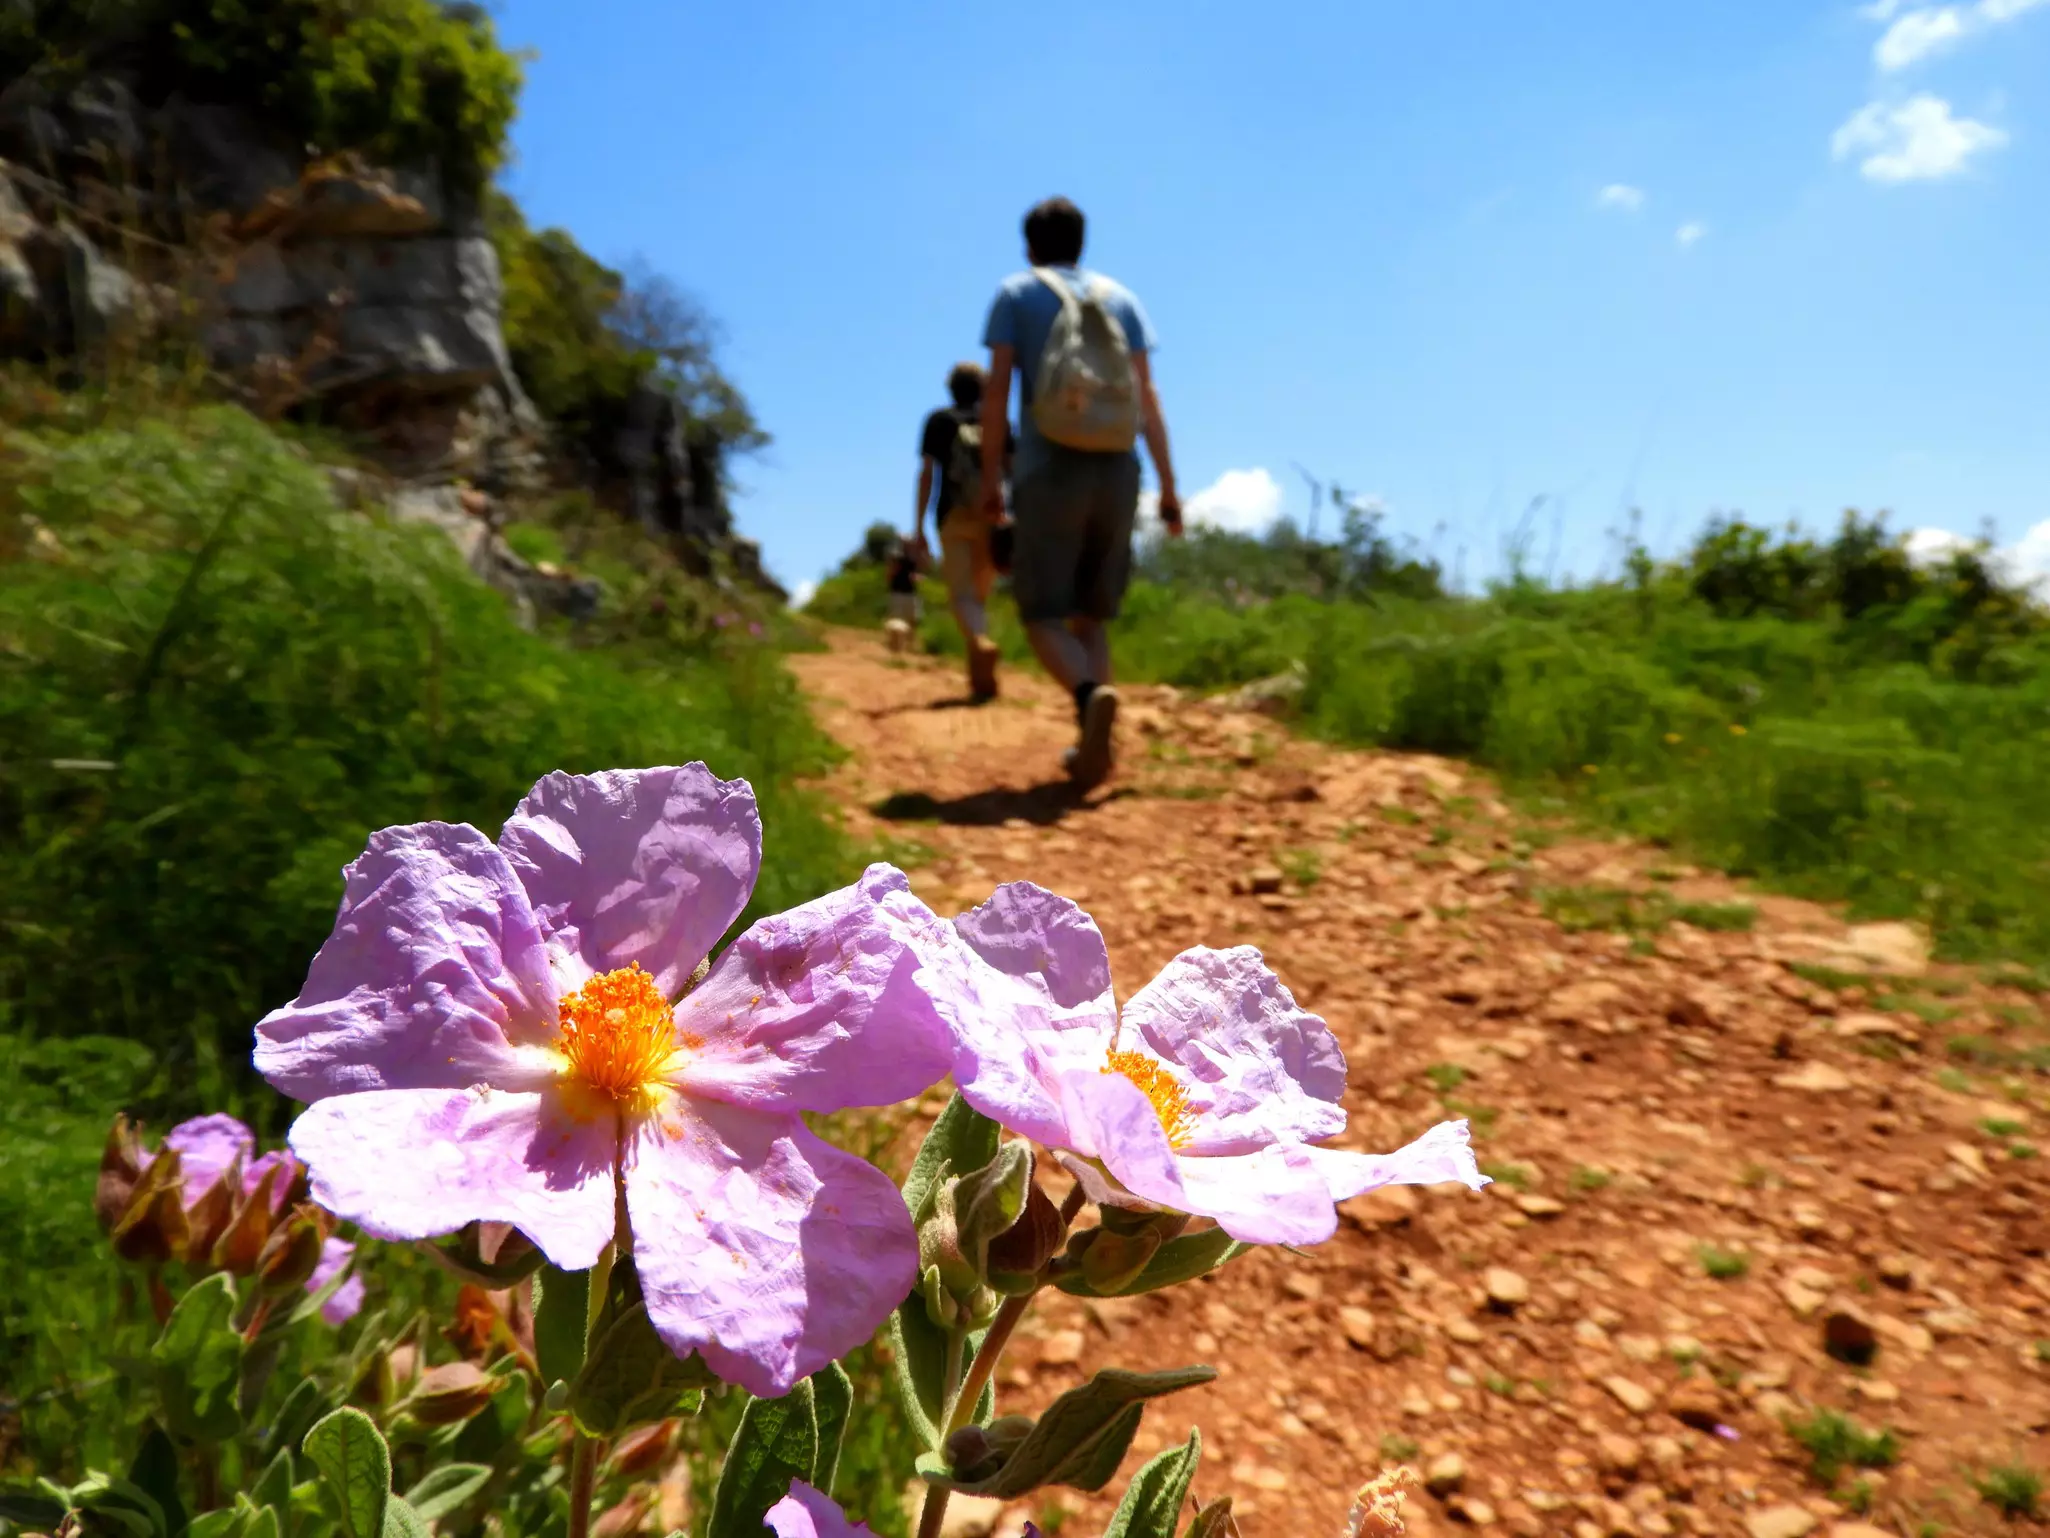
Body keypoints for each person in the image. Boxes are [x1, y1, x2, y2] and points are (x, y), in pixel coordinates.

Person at [978, 196, 1182, 789]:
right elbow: (1149, 399)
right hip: (1119, 469)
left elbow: (996, 397)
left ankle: (1091, 696)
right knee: (1091, 615)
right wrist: (1169, 488)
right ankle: (1101, 744)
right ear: (1082, 241)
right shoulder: (1122, 300)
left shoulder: (1017, 294)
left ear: (1031, 244)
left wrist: (994, 483)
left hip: (1049, 469)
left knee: (1042, 611)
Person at [914, 362, 1012, 699]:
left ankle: (981, 647)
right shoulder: (997, 422)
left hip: (952, 514)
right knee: (980, 597)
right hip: (991, 513)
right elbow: (1013, 472)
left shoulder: (938, 421)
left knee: (962, 596)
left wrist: (918, 528)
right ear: (983, 389)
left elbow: (927, 474)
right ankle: (980, 680)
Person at [882, 540, 920, 654]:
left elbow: (916, 571)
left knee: (912, 620)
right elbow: (889, 572)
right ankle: (894, 646)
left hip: (910, 592)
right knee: (896, 619)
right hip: (898, 592)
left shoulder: (912, 558)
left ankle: (908, 645)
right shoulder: (895, 556)